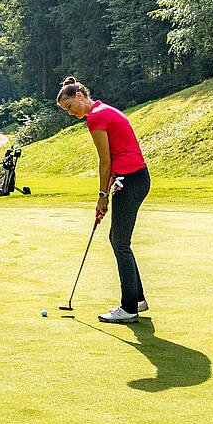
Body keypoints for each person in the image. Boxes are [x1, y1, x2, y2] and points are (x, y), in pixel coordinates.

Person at [56, 76, 151, 324]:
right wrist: (107, 195)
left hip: (130, 179)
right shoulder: (103, 109)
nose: (70, 113)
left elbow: (105, 160)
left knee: (119, 242)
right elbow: (113, 160)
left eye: (69, 107)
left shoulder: (96, 117)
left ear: (79, 96)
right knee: (120, 240)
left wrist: (102, 197)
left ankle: (129, 307)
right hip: (134, 178)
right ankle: (137, 299)